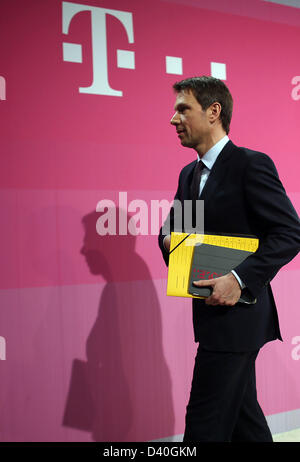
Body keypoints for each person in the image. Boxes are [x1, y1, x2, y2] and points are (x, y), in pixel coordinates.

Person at [158, 76, 300, 442]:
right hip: (211, 316)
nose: (174, 120)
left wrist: (237, 279)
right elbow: (176, 239)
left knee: (203, 425)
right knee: (243, 421)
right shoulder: (189, 174)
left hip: (240, 317)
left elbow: (289, 233)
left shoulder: (250, 165)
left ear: (213, 112)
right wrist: (168, 240)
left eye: (182, 109)